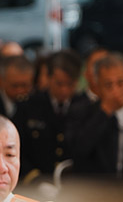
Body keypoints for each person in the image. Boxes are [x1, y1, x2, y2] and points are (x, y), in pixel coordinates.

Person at [13, 50, 82, 180]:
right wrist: (34, 179)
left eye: (70, 84)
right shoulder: (29, 106)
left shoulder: (86, 106)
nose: (64, 90)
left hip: (75, 185)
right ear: (48, 78)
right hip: (37, 183)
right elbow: (17, 148)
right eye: (59, 83)